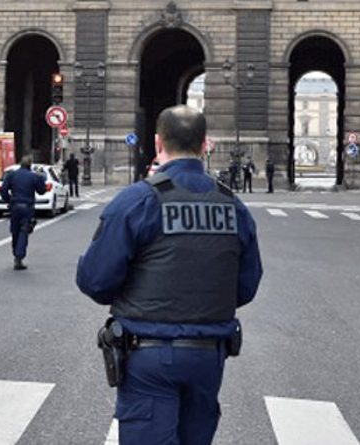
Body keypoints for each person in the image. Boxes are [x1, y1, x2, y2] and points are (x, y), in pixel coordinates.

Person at [76, 105, 262, 445]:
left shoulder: (137, 200)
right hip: (208, 355)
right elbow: (246, 286)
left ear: (158, 142)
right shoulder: (233, 206)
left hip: (149, 355)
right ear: (204, 145)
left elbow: (96, 281)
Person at [0, 155, 45, 270]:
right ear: (30, 165)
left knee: (15, 231)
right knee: (24, 231)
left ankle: (16, 252)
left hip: (15, 206)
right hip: (27, 207)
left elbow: (3, 190)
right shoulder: (33, 176)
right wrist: (40, 177)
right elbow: (41, 191)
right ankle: (19, 256)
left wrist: (9, 200)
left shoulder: (12, 175)